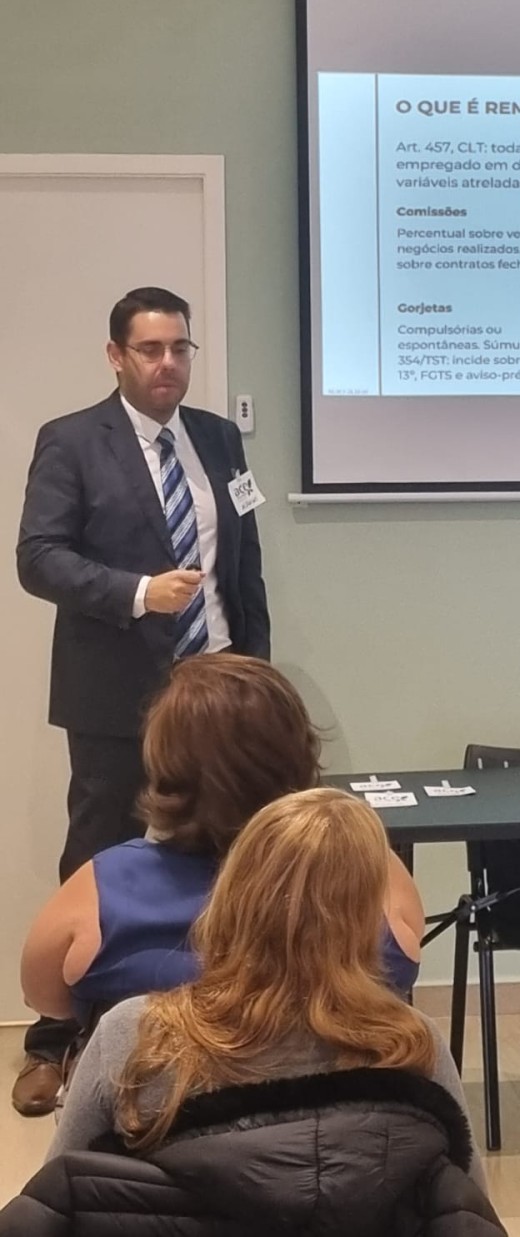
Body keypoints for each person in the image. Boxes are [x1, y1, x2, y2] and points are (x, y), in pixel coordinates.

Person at [0, 790, 503, 1237]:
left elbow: (57, 1207)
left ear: (230, 895)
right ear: (368, 919)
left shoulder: (134, 1037)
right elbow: (465, 1210)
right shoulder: (413, 1046)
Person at [14, 286, 271, 1115]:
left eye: (179, 349)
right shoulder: (72, 440)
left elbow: (245, 565)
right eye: (151, 349)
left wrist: (257, 676)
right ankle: (58, 1039)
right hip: (115, 694)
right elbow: (38, 557)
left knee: (233, 856)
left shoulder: (220, 439)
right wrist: (137, 592)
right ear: (116, 356)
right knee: (100, 853)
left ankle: (228, 1024)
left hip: (220, 689)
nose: (168, 364)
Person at [19, 654, 424, 1031]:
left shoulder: (104, 886)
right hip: (343, 1080)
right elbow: (401, 970)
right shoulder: (367, 866)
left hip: (154, 1082)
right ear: (300, 753)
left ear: (166, 770)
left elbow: (45, 999)